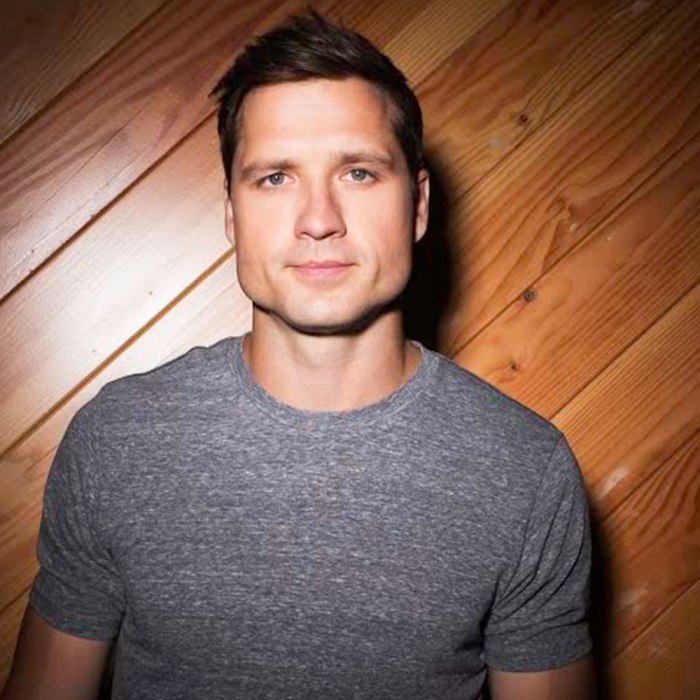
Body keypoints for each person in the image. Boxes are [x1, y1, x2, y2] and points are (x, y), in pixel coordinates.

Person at [1, 11, 594, 700]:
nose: (318, 220)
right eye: (275, 178)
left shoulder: (524, 472)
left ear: (419, 205)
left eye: (359, 173)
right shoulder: (117, 442)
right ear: (231, 213)